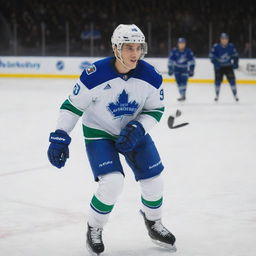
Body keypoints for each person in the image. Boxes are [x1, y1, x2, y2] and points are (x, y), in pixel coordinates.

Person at [47, 24, 176, 255]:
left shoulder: (151, 76)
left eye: (138, 47)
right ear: (116, 48)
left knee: (155, 181)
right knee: (113, 183)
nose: (135, 53)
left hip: (134, 131)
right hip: (99, 132)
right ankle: (94, 227)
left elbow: (156, 110)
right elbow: (72, 106)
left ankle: (153, 222)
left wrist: (139, 127)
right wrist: (60, 135)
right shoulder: (95, 74)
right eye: (128, 48)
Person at [209, 33, 239, 101]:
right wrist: (216, 63)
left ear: (228, 40)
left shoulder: (231, 46)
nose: (224, 40)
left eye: (226, 39)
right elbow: (211, 56)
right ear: (220, 39)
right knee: (217, 81)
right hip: (218, 68)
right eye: (223, 39)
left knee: (232, 80)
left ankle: (235, 95)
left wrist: (235, 63)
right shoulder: (216, 47)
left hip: (228, 67)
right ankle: (217, 95)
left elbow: (235, 56)